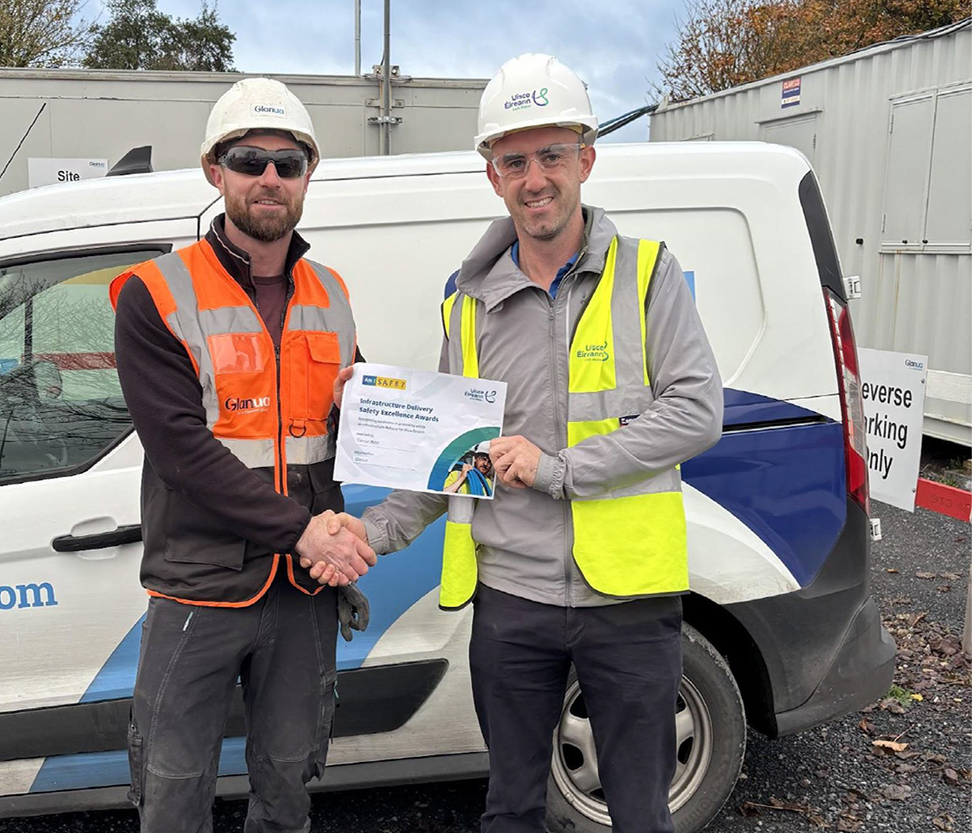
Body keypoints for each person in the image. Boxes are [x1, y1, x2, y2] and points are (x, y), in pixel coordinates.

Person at [311, 54, 723, 833]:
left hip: (629, 604)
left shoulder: (646, 274)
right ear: (492, 175)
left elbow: (698, 413)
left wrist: (561, 470)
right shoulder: (468, 306)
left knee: (641, 813)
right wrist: (370, 532)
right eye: (515, 161)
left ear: (586, 160)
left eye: (552, 156)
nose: (536, 178)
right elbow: (445, 460)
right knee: (510, 811)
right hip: (512, 608)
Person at [111, 77, 376, 833]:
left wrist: (390, 410)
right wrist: (304, 530)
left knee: (289, 786)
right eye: (249, 159)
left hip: (302, 595)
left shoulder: (332, 292)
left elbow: (351, 432)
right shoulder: (156, 293)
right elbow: (181, 453)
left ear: (307, 177)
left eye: (286, 164)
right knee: (172, 790)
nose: (269, 177)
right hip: (198, 586)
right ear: (214, 170)